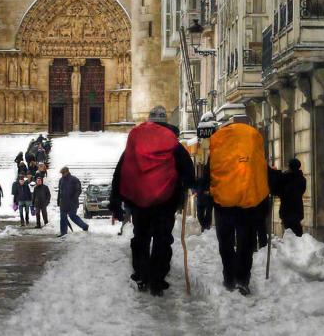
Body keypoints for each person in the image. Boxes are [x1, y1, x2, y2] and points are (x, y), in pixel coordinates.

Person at [109, 105, 195, 297]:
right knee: (162, 240)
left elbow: (121, 171)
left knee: (141, 237)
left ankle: (141, 275)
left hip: (139, 202)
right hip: (165, 202)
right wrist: (191, 184)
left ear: (149, 121)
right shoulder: (174, 143)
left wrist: (115, 201)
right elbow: (187, 169)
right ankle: (158, 279)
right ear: (165, 122)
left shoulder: (136, 141)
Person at [207, 123, 269, 296]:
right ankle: (242, 280)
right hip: (248, 206)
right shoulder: (252, 151)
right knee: (246, 243)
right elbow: (263, 173)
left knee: (225, 242)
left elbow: (208, 174)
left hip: (223, 205)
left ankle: (229, 278)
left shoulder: (218, 151)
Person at [57, 166, 89, 237]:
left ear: (67, 172)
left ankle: (84, 226)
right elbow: (60, 191)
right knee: (63, 217)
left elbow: (78, 190)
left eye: (63, 173)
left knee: (72, 216)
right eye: (61, 173)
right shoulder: (61, 180)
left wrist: (74, 198)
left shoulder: (74, 180)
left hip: (72, 203)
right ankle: (63, 232)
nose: (62, 175)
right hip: (63, 203)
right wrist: (58, 200)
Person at [279, 158, 306, 237]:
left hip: (287, 209)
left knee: (289, 231)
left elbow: (280, 190)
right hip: (297, 208)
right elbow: (302, 190)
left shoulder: (285, 178)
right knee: (296, 229)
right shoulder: (302, 179)